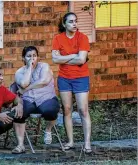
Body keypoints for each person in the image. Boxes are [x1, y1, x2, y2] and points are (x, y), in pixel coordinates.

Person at [51, 12, 92, 153]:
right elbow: (54, 60)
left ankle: (87, 143)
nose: (74, 24)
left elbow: (82, 60)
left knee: (83, 110)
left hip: (81, 77)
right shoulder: (58, 38)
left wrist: (64, 58)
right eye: (70, 22)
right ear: (64, 24)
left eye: (75, 21)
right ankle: (70, 141)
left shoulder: (83, 37)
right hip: (64, 78)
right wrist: (73, 55)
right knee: (67, 109)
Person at [13, 46, 60, 154]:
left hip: (46, 97)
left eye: (34, 56)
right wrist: (29, 68)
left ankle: (48, 130)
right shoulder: (20, 72)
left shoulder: (44, 66)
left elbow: (43, 81)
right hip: (28, 99)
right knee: (19, 112)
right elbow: (24, 83)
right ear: (23, 59)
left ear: (38, 57)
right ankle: (20, 145)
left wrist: (25, 89)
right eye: (29, 56)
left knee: (50, 110)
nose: (32, 58)